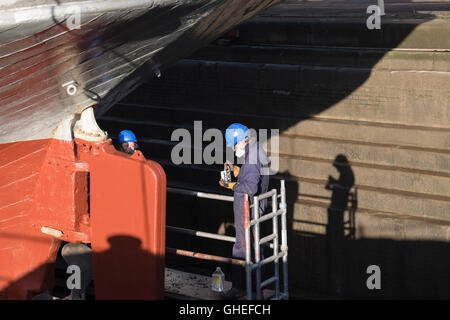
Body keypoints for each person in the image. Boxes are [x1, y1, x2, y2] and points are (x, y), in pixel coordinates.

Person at [218, 123, 270, 299]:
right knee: (255, 247)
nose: (233, 149)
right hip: (257, 207)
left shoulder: (251, 157)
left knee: (241, 248)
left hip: (248, 209)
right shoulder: (256, 151)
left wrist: (230, 185)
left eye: (233, 145)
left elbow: (249, 187)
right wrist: (236, 170)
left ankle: (240, 287)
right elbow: (253, 174)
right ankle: (257, 287)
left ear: (240, 141)